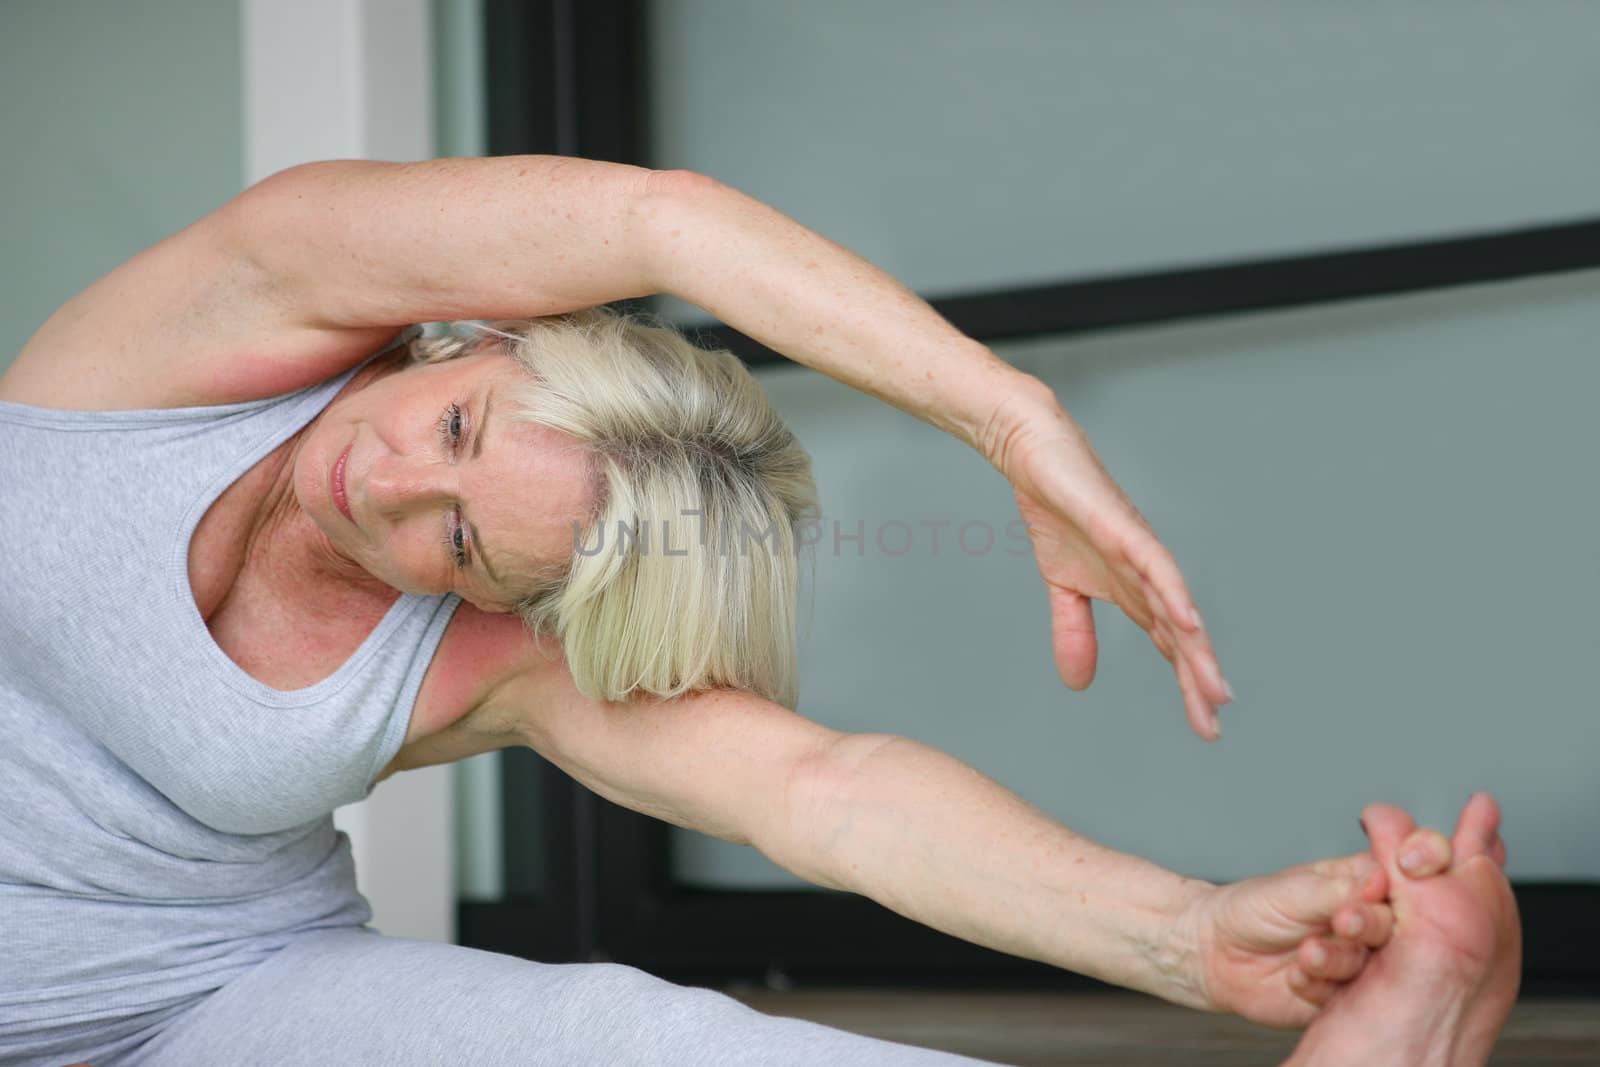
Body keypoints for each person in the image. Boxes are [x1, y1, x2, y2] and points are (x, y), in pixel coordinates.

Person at [0, 156, 1518, 1066]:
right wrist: (1006, 421)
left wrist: (1192, 942)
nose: (381, 485)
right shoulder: (210, 331)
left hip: (212, 1004)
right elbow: (667, 225)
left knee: (647, 1053)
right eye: (455, 428)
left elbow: (823, 791)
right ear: (469, 341)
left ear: (510, 601)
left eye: (455, 541)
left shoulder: (487, 662)